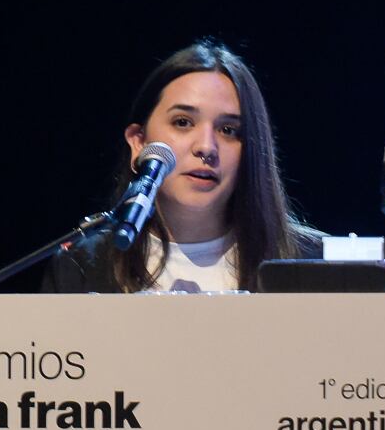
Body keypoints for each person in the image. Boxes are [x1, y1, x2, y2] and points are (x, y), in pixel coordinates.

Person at [42, 39, 319, 293]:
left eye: (228, 130)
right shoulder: (82, 265)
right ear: (139, 142)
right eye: (183, 123)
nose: (206, 147)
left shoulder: (313, 261)